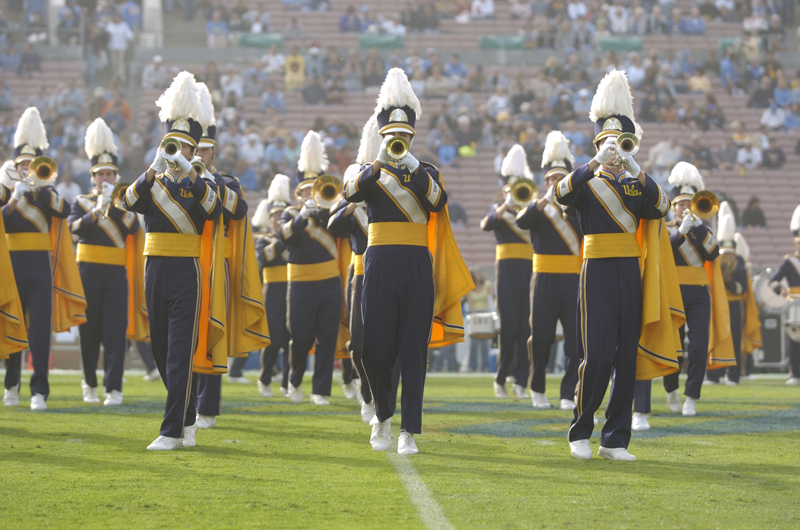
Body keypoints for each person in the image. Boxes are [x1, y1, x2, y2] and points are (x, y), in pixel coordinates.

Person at [344, 68, 472, 455]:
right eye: (391, 137)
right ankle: (382, 415)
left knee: (413, 349)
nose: (397, 141)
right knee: (375, 349)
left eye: (403, 137)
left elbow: (437, 202)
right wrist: (378, 163)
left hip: (417, 264)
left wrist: (411, 165)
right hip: (378, 262)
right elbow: (350, 193)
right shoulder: (370, 174)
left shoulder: (426, 172)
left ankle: (408, 430)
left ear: (412, 138)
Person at [554, 71, 677, 461]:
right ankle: (580, 431)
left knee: (627, 356)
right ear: (597, 142)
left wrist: (636, 167)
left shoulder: (636, 183)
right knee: (597, 354)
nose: (614, 148)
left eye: (620, 142)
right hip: (596, 271)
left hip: (629, 271)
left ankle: (615, 439)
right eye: (608, 141)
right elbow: (558, 195)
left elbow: (662, 207)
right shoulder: (586, 180)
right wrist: (594, 162)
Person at [123, 71, 224, 450]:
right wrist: (152, 168)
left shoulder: (203, 183)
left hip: (186, 271)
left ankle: (171, 431)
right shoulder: (153, 182)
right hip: (155, 269)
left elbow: (214, 211)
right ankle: (188, 416)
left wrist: (190, 172)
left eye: (184, 147)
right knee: (162, 351)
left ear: (193, 150)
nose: (177, 153)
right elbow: (128, 202)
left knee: (180, 349)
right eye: (172, 146)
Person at [194, 83, 269, 430]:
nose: (198, 155)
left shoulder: (227, 182)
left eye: (204, 151)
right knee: (184, 334)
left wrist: (208, 181)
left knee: (212, 330)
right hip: (184, 260)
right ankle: (181, 401)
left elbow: (239, 211)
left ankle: (207, 407)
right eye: (193, 149)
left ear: (213, 153)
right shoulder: (172, 181)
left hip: (216, 265)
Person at [632, 163, 728, 429]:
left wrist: (695, 229)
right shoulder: (666, 229)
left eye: (689, 204)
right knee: (674, 346)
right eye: (680, 204)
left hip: (698, 293)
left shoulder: (702, 229)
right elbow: (663, 251)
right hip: (671, 291)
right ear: (673, 207)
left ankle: (692, 397)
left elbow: (714, 254)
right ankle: (671, 388)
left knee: (697, 346)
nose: (684, 208)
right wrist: (681, 231)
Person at [2, 107, 83, 410]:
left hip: (40, 266)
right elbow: (3, 222)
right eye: (23, 165)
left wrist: (38, 188)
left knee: (39, 330)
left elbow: (64, 209)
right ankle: (11, 385)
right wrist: (15, 195)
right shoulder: (8, 193)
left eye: (32, 165)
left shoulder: (46, 193)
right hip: (11, 266)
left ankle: (39, 391)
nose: (28, 169)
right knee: (13, 323)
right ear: (15, 166)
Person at [69, 118, 147, 406]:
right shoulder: (81, 202)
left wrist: (110, 206)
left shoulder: (124, 205)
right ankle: (89, 382)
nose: (105, 179)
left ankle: (113, 388)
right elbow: (74, 229)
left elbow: (132, 226)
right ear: (93, 177)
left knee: (115, 332)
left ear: (115, 178)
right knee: (89, 333)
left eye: (109, 175)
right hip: (87, 272)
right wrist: (96, 211)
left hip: (115, 274)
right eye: (100, 174)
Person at [327, 115, 394, 423]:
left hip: (391, 269)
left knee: (391, 341)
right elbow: (335, 225)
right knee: (358, 344)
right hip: (361, 273)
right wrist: (355, 201)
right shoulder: (356, 180)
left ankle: (386, 398)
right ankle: (367, 395)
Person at [515, 131, 582, 411]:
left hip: (574, 279)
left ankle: (569, 393)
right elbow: (522, 221)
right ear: (545, 183)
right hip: (543, 279)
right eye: (551, 179)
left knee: (575, 341)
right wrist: (543, 201)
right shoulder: (538, 208)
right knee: (541, 337)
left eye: (560, 179)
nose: (555, 183)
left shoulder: (577, 207)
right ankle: (537, 388)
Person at [280, 131, 346, 405]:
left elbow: (347, 231)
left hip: (329, 280)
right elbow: (285, 237)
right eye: (306, 190)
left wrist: (338, 208)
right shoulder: (290, 214)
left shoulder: (332, 211)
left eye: (314, 188)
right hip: (301, 283)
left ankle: (320, 390)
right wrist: (302, 217)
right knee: (302, 337)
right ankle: (294, 381)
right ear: (299, 193)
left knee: (327, 337)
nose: (311, 193)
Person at [480, 144, 533, 398]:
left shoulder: (528, 213)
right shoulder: (497, 210)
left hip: (529, 269)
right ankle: (501, 378)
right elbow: (486, 225)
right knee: (509, 328)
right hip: (506, 272)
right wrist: (505, 205)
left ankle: (521, 381)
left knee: (526, 329)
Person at [253, 176, 292, 398]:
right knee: (273, 339)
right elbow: (264, 258)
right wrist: (283, 239)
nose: (278, 218)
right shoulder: (263, 239)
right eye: (275, 216)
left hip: (292, 288)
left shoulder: (293, 238)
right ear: (269, 219)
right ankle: (264, 378)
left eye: (282, 215)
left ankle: (287, 384)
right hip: (272, 292)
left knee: (290, 340)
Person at [705, 204, 749, 386]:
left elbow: (743, 290)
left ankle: (733, 375)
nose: (727, 258)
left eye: (730, 254)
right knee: (715, 338)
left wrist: (730, 281)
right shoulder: (714, 264)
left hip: (733, 307)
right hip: (716, 305)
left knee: (735, 340)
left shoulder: (739, 268)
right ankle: (714, 374)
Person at [769, 206, 800, 385]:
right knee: (793, 338)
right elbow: (773, 281)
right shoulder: (789, 261)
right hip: (794, 303)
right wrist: (781, 289)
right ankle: (794, 373)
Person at [465, 268, 493, 372]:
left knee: (485, 342)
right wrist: (474, 315)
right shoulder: (469, 287)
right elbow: (470, 303)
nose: (479, 274)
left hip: (486, 314)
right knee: (474, 342)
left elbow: (491, 299)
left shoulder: (487, 285)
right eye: (477, 273)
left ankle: (485, 366)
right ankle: (472, 366)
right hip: (474, 315)